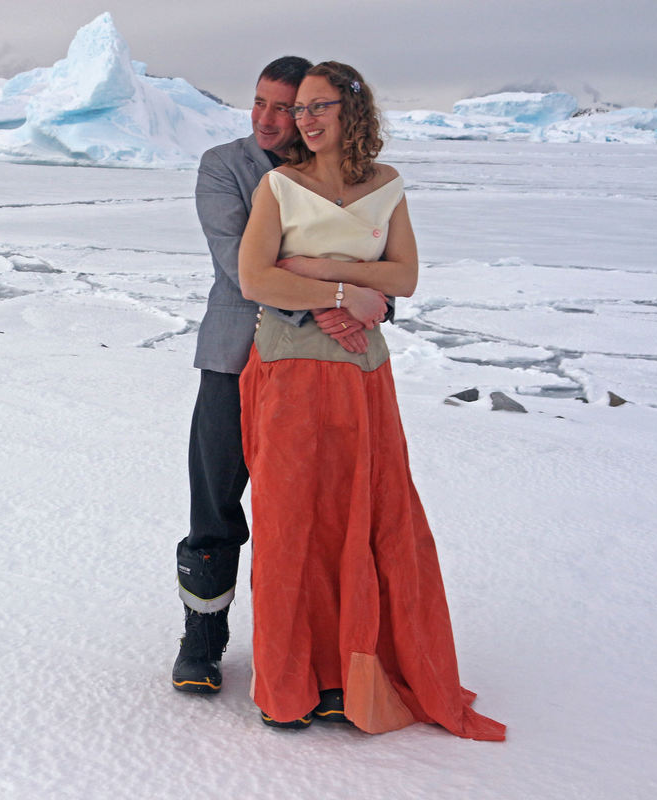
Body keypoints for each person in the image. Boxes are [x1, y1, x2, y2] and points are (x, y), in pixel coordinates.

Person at [236, 61, 505, 740]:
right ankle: (288, 685)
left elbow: (404, 275)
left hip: (363, 376)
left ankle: (347, 676)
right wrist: (340, 297)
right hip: (292, 373)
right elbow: (253, 277)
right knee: (292, 527)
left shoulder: (386, 188)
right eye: (299, 110)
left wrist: (324, 273)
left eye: (318, 107)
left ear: (353, 109)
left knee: (366, 521)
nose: (305, 121)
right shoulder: (280, 185)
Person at [172, 56, 374, 694]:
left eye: (284, 107)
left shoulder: (346, 177)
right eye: (258, 101)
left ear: (315, 112)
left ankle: (310, 650)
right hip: (233, 362)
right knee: (215, 507)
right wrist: (340, 297)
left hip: (322, 366)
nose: (266, 118)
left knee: (313, 513)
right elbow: (242, 266)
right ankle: (202, 641)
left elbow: (373, 257)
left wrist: (375, 300)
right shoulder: (224, 166)